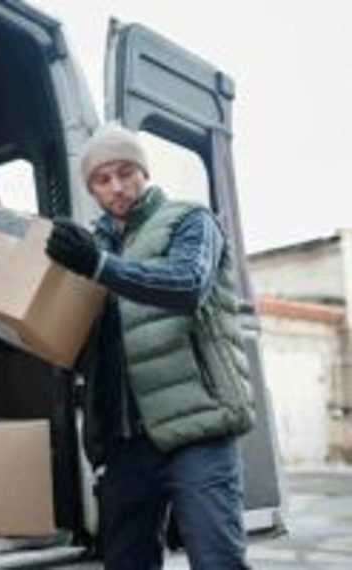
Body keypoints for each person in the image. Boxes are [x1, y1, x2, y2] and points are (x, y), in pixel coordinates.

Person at [45, 122, 255, 569]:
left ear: (143, 171)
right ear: (92, 189)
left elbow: (186, 286)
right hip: (125, 446)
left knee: (217, 562)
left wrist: (100, 265)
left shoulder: (190, 220)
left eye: (126, 172)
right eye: (102, 180)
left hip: (197, 428)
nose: (117, 187)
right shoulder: (93, 245)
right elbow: (85, 342)